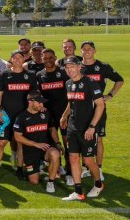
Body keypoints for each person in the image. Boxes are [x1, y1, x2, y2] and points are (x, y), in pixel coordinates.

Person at [60, 56, 106, 201]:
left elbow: (100, 105)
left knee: (87, 160)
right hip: (72, 128)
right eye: (67, 67)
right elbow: (71, 102)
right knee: (73, 158)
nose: (69, 70)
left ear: (79, 66)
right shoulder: (68, 83)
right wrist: (64, 116)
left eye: (72, 66)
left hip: (87, 129)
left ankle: (98, 184)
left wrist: (92, 127)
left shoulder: (90, 83)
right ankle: (78, 191)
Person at [79, 41, 124, 181]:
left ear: (94, 51)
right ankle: (86, 167)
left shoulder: (103, 67)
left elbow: (119, 80)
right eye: (84, 49)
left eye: (89, 49)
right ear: (81, 51)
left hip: (98, 108)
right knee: (82, 139)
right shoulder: (77, 68)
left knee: (98, 139)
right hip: (80, 109)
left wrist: (109, 95)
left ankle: (98, 167)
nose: (87, 51)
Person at [0, 50, 38, 182]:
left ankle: (19, 169)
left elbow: (35, 95)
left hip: (23, 117)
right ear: (11, 59)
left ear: (24, 59)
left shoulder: (30, 75)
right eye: (14, 57)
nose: (17, 60)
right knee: (1, 143)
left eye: (20, 57)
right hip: (5, 115)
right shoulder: (5, 75)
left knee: (20, 144)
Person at [13, 91, 61, 193]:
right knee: (34, 181)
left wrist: (58, 143)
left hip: (45, 147)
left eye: (42, 103)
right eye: (39, 102)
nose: (41, 105)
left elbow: (52, 129)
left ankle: (50, 182)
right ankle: (39, 166)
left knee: (55, 154)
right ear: (30, 102)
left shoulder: (45, 113)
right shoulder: (21, 117)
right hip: (30, 151)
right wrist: (35, 144)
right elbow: (17, 137)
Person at [36, 48, 70, 179]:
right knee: (52, 144)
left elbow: (70, 94)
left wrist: (66, 114)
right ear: (41, 59)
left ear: (55, 57)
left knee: (67, 144)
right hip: (48, 117)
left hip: (64, 115)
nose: (48, 60)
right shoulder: (39, 75)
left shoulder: (63, 72)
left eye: (51, 57)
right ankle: (57, 168)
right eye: (45, 58)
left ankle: (69, 170)